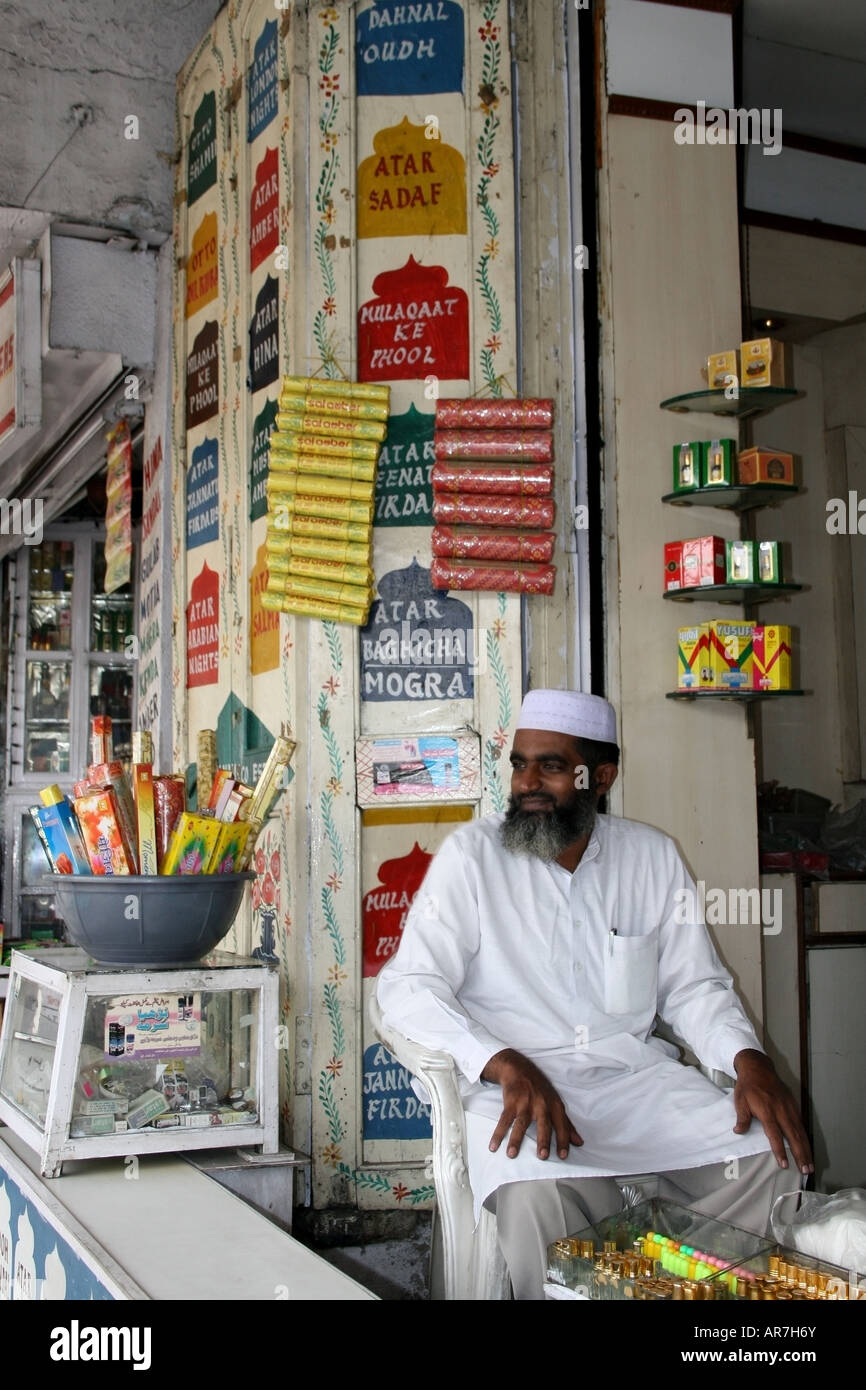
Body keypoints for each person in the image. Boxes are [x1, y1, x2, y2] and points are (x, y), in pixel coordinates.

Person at [377, 689, 813, 1300]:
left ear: (600, 776)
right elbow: (407, 986)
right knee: (535, 1193)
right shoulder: (472, 858)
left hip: (636, 1087)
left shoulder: (651, 856)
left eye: (551, 766)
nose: (527, 782)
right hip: (522, 1098)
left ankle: (687, 1301)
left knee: (773, 1152)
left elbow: (694, 986)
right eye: (520, 763)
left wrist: (750, 1062)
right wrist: (500, 1060)